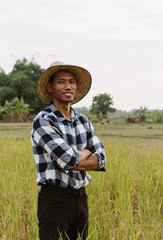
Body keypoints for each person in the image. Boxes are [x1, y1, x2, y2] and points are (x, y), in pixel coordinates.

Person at [31, 61, 106, 240]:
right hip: (54, 199)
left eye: (72, 81)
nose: (68, 86)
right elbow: (67, 158)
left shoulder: (83, 121)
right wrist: (85, 153)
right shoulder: (44, 121)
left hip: (81, 198)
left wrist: (74, 158)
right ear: (50, 87)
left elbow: (101, 157)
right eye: (61, 82)